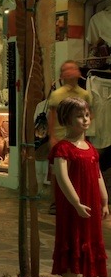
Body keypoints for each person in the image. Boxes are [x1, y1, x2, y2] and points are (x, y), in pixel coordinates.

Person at [49, 97, 109, 277]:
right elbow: (62, 177)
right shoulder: (62, 149)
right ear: (67, 120)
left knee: (92, 244)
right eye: (78, 116)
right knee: (71, 243)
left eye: (86, 115)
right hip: (71, 207)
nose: (85, 120)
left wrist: (104, 200)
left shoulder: (91, 148)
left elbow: (98, 173)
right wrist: (75, 202)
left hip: (91, 205)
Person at [47, 60, 92, 215]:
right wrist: (52, 137)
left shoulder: (84, 94)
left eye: (73, 69)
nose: (70, 72)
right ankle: (55, 202)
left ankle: (77, 200)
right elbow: (51, 116)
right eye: (66, 69)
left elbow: (89, 114)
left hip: (79, 139)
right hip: (60, 138)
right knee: (57, 172)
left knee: (77, 171)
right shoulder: (57, 94)